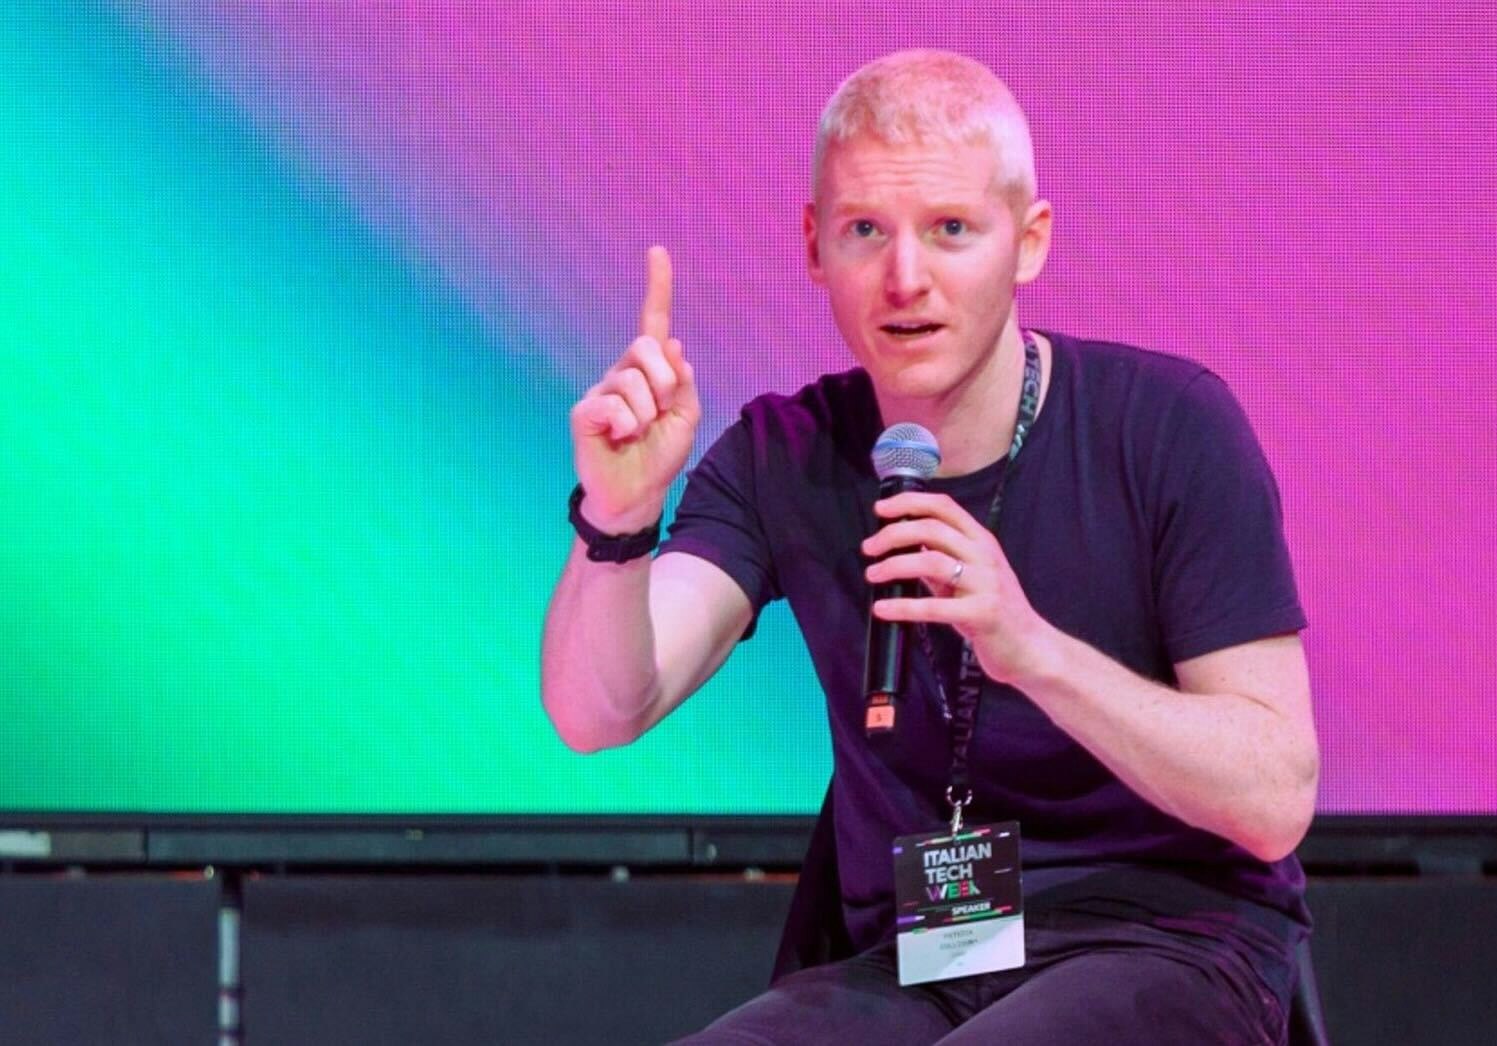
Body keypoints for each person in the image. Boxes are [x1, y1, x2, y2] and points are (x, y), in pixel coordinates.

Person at [540, 49, 1318, 1045]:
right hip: (926, 955)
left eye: (951, 229)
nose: (905, 280)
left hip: (1167, 941)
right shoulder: (787, 453)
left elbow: (1273, 797)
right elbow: (599, 711)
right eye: (866, 231)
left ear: (1028, 242)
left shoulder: (1168, 425)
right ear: (815, 246)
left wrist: (1032, 649)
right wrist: (619, 517)